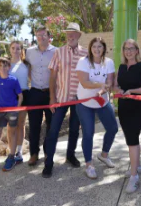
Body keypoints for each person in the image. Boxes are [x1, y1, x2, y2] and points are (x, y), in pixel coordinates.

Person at [42, 22, 88, 178]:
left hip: (78, 100)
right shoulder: (59, 52)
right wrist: (52, 98)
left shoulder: (85, 53)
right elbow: (53, 76)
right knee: (53, 131)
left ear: (79, 35)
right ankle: (49, 163)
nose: (70, 35)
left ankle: (70, 155)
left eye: (73, 33)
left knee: (74, 130)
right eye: (68, 33)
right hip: (60, 99)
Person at [75, 37, 118, 179]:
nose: (97, 49)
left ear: (104, 48)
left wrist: (103, 90)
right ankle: (89, 165)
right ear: (90, 48)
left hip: (101, 101)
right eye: (94, 46)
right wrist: (100, 86)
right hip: (84, 102)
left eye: (100, 46)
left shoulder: (109, 62)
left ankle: (103, 155)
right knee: (88, 133)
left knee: (113, 128)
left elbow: (109, 82)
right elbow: (85, 82)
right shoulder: (83, 62)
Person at [114, 39, 141, 193]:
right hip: (123, 106)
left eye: (131, 48)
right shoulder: (121, 67)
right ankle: (137, 165)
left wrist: (131, 91)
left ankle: (134, 176)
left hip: (138, 107)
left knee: (132, 138)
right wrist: (118, 90)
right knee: (132, 138)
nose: (128, 51)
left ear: (137, 50)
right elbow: (116, 84)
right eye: (126, 49)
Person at [25, 26, 57, 166]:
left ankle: (47, 152)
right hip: (35, 92)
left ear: (49, 36)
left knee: (51, 125)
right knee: (34, 125)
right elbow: (27, 69)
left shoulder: (56, 51)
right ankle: (34, 154)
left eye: (43, 35)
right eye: (38, 35)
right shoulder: (29, 52)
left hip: (51, 93)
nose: (41, 37)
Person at [0, 57, 23, 172]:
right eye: (0, 66)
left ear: (9, 67)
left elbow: (20, 96)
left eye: (5, 66)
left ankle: (11, 157)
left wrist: (17, 108)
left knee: (11, 133)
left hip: (12, 111)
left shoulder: (13, 80)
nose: (3, 68)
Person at [8, 41, 30, 164]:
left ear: (21, 50)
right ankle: (11, 152)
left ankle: (19, 152)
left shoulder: (26, 64)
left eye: (18, 48)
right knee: (11, 126)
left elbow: (33, 78)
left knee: (21, 124)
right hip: (10, 96)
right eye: (13, 48)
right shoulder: (6, 64)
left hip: (24, 94)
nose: (15, 50)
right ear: (10, 49)